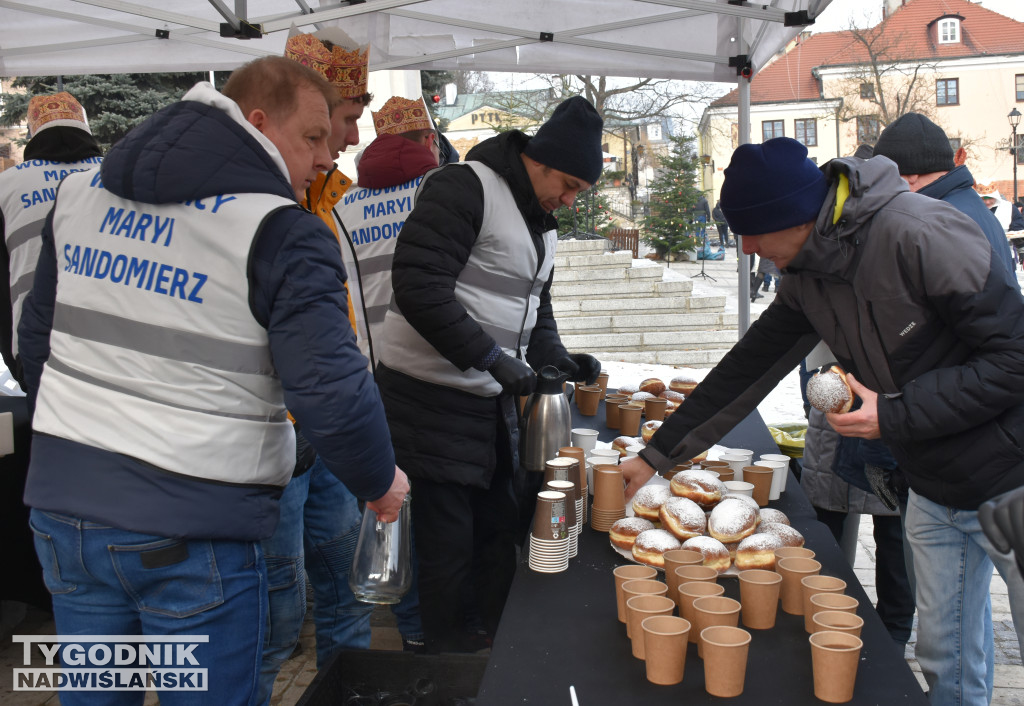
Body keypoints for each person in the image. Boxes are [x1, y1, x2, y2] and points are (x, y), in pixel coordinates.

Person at [18, 56, 409, 704]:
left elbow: (37, 342)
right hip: (191, 526)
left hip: (68, 515)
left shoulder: (80, 197)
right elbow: (330, 393)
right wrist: (380, 481)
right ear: (258, 123)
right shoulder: (280, 231)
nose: (325, 158)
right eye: (312, 136)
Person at [619, 137, 1024, 706]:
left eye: (753, 233)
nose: (748, 249)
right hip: (934, 486)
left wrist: (897, 412)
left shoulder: (919, 233)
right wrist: (656, 456)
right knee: (945, 658)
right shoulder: (807, 275)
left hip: (1011, 474)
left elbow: (1015, 358)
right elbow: (746, 369)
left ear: (794, 216)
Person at [374, 96, 604, 653]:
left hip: (487, 404)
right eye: (568, 185)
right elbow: (419, 285)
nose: (570, 200)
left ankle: (491, 653)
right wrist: (491, 358)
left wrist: (557, 360)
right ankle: (448, 662)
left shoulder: (541, 223)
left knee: (497, 535)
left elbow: (535, 309)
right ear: (539, 160)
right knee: (448, 549)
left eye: (579, 191)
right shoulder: (465, 187)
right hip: (428, 401)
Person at [257, 32, 424, 702]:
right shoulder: (259, 207)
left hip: (328, 438)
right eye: (345, 119)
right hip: (274, 442)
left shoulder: (328, 198)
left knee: (347, 593)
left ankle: (346, 691)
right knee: (274, 615)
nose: (353, 138)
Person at [0, 92, 102, 382]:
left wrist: (15, 359)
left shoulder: (6, 186)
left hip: (38, 346)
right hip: (113, 341)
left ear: (33, 131)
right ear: (84, 125)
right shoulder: (115, 175)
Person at [336, 94, 439, 362]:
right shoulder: (444, 195)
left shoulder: (340, 207)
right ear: (429, 141)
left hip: (370, 362)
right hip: (439, 363)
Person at [873, 112, 1015, 274]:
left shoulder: (940, 222)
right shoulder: (965, 206)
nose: (885, 188)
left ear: (911, 175)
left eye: (888, 177)